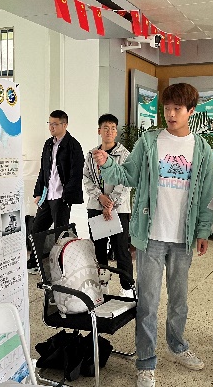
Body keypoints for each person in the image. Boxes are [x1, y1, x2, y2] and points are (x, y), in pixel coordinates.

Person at [93, 83, 213, 387]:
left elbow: (206, 194)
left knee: (179, 299)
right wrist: (108, 165)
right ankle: (146, 362)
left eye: (177, 108)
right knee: (147, 301)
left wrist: (203, 231)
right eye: (167, 108)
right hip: (152, 235)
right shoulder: (149, 142)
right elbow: (129, 175)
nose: (170, 114)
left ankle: (178, 345)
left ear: (191, 111)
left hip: (183, 237)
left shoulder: (201, 149)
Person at [83, 113, 133, 297]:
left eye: (113, 128)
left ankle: (127, 288)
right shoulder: (91, 155)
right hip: (96, 208)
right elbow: (86, 178)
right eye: (106, 128)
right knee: (99, 249)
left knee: (121, 250)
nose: (109, 132)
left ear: (116, 132)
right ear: (99, 131)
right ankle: (102, 285)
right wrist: (100, 198)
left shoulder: (125, 155)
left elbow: (127, 180)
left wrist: (110, 203)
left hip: (119, 210)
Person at [28, 110, 84, 273]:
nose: (51, 127)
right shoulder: (48, 144)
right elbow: (43, 171)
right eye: (50, 123)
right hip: (47, 196)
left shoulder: (73, 145)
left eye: (55, 124)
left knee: (60, 233)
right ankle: (35, 262)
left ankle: (60, 266)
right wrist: (38, 192)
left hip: (61, 197)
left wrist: (67, 197)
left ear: (64, 125)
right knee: (37, 229)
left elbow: (76, 174)